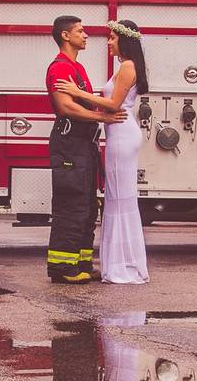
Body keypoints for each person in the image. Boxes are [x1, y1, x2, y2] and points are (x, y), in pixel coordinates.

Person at [56, 19, 150, 284]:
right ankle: (121, 262)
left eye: (112, 38)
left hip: (121, 133)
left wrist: (77, 92)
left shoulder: (128, 67)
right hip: (118, 133)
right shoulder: (124, 67)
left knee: (120, 199)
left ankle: (124, 267)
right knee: (117, 198)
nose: (108, 42)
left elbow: (113, 103)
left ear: (124, 40)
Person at [45, 16, 128, 284]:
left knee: (87, 206)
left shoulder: (76, 68)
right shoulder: (59, 68)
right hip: (69, 145)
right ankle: (61, 267)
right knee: (71, 204)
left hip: (83, 145)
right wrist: (103, 118)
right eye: (80, 31)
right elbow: (66, 107)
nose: (86, 35)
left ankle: (81, 261)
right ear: (66, 36)